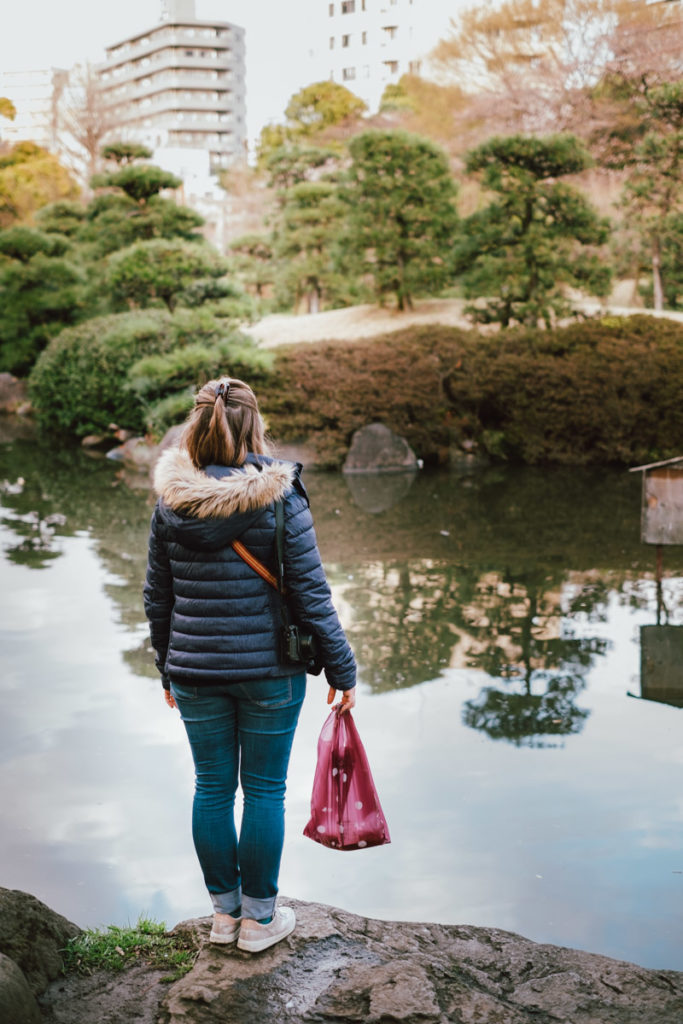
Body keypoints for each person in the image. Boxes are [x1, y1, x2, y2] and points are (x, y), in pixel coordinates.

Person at [143, 377, 356, 954]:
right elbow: (311, 595)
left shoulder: (171, 501)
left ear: (196, 427)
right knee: (263, 791)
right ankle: (260, 923)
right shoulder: (281, 496)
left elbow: (157, 597)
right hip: (269, 673)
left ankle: (222, 917)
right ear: (253, 425)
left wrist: (168, 667)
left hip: (194, 672)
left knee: (212, 787)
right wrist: (344, 672)